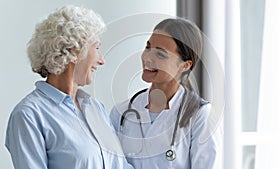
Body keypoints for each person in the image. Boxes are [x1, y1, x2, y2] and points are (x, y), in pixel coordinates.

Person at [5, 5, 133, 169]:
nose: (102, 60)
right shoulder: (29, 115)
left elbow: (120, 165)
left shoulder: (95, 108)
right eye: (97, 48)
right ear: (75, 50)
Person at [110, 18, 223, 169]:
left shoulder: (200, 115)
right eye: (148, 47)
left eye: (160, 54)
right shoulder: (122, 113)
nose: (147, 57)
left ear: (184, 65)